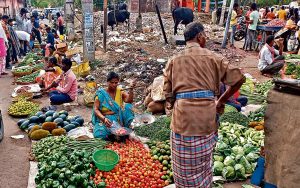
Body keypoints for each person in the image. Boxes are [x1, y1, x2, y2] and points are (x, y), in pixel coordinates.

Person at [163, 22, 245, 188]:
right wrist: (221, 100)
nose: (206, 38)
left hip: (182, 121)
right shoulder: (213, 57)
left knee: (182, 169)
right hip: (206, 120)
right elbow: (239, 78)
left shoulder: (173, 60)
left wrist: (174, 105)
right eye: (205, 35)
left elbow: (168, 94)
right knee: (204, 164)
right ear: (199, 37)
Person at [92, 72, 135, 139]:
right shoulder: (101, 94)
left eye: (116, 83)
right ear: (107, 82)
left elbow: (129, 101)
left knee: (128, 107)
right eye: (112, 82)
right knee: (99, 135)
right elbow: (96, 109)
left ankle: (128, 127)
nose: (114, 85)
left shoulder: (119, 91)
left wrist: (131, 90)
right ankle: (113, 135)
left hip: (118, 118)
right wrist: (104, 119)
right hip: (105, 119)